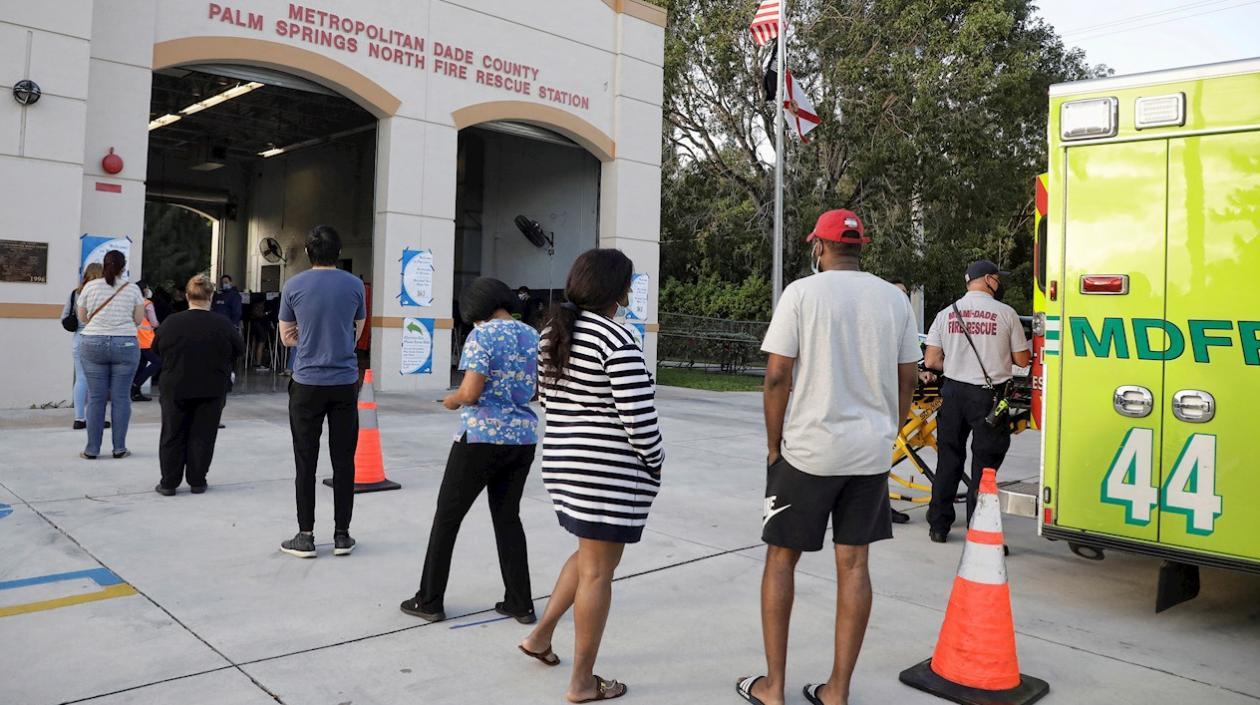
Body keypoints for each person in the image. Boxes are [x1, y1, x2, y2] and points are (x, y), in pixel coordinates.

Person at [736, 210, 920, 705]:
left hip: (809, 453)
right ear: (862, 246)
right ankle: (837, 690)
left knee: (781, 560)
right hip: (870, 454)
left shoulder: (802, 293)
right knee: (855, 566)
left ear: (819, 246)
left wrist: (774, 447)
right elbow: (908, 377)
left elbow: (777, 376)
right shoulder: (893, 299)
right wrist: (889, 430)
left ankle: (773, 687)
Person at [519, 249, 664, 704]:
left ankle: (540, 637)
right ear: (619, 291)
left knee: (587, 557)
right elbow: (639, 419)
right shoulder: (616, 339)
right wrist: (655, 461)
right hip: (606, 472)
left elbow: (544, 399)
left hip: (564, 463)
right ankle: (582, 683)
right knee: (600, 571)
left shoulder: (552, 333)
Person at [399, 277, 540, 623]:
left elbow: (471, 392)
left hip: (479, 438)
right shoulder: (533, 336)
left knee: (447, 516)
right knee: (507, 518)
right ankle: (519, 601)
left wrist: (453, 400)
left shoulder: (482, 336)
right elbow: (536, 390)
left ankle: (429, 599)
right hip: (521, 439)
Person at [922, 260, 1030, 544]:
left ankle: (939, 526)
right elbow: (1022, 360)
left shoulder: (946, 313)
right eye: (997, 278)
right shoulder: (1006, 314)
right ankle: (978, 527)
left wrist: (958, 365)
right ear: (988, 279)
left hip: (953, 394)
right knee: (985, 466)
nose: (999, 283)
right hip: (989, 397)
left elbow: (932, 360)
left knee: (948, 460)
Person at [277, 225, 366, 558]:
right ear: (338, 253)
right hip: (344, 382)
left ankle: (306, 535)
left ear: (308, 253)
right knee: (344, 461)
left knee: (306, 461)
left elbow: (287, 336)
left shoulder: (294, 285)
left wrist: (309, 336)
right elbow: (356, 333)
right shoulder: (355, 285)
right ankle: (342, 535)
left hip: (306, 383)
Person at [152, 274, 245, 495]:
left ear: (187, 296)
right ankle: (197, 480)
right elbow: (239, 350)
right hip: (212, 385)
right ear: (211, 296)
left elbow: (157, 348)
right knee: (203, 434)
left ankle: (169, 482)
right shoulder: (222, 323)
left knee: (172, 433)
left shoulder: (172, 322)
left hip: (175, 384)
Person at [76, 250, 146, 460]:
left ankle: (92, 449)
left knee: (96, 398)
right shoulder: (132, 289)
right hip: (124, 343)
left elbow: (82, 317)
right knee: (121, 398)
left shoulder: (90, 286)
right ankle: (119, 448)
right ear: (123, 267)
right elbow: (138, 320)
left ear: (104, 264)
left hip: (93, 343)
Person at [63, 263, 109, 430]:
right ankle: (95, 418)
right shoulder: (104, 293)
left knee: (81, 379)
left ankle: (79, 418)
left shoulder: (75, 294)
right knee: (98, 380)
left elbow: (64, 317)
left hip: (78, 340)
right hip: (97, 338)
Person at [131, 281, 161, 402]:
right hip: (146, 340)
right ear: (144, 290)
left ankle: (136, 393)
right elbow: (154, 323)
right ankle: (135, 384)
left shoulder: (132, 303)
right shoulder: (147, 303)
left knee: (141, 366)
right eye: (147, 288)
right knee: (158, 362)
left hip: (135, 338)